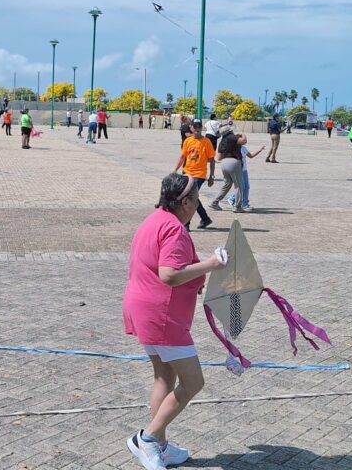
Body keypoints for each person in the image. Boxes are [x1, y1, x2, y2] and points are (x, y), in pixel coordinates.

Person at [122, 173, 228, 470]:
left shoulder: (156, 219)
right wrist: (211, 264)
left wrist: (195, 278)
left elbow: (167, 267)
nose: (197, 203)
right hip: (162, 316)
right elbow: (168, 273)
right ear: (184, 202)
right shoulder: (175, 230)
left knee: (164, 378)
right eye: (195, 198)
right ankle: (149, 439)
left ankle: (161, 448)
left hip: (142, 309)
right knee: (193, 381)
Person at [175, 122, 215, 230]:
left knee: (189, 197)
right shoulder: (188, 141)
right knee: (191, 197)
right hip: (187, 172)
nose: (197, 129)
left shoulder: (206, 142)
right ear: (191, 128)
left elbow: (212, 160)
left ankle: (186, 223)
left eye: (199, 127)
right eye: (195, 126)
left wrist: (211, 176)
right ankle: (205, 218)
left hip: (199, 174)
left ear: (202, 128)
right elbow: (182, 157)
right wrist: (175, 170)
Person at [211, 125, 245, 213]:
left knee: (227, 184)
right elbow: (243, 141)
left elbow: (218, 157)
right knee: (238, 185)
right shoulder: (232, 137)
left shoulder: (222, 141)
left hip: (224, 163)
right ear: (230, 131)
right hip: (234, 162)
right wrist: (243, 134)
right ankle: (237, 206)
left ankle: (215, 202)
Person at [227, 134, 263, 210]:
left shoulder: (244, 148)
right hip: (237, 170)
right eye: (242, 140)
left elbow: (251, 156)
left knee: (246, 187)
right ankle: (232, 198)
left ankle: (245, 204)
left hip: (244, 170)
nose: (244, 141)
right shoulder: (233, 148)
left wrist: (260, 150)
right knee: (241, 187)